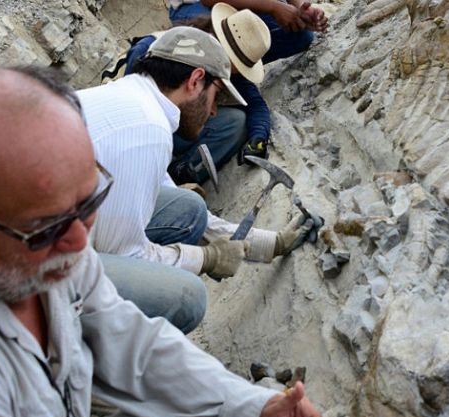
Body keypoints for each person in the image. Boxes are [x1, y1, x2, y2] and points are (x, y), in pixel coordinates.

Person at [0, 65, 324, 417]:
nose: (80, 243)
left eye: (88, 202)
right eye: (49, 227)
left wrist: (255, 406)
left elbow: (128, 336)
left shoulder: (35, 241)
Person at [78, 27, 315, 334]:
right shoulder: (147, 131)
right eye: (216, 95)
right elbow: (125, 255)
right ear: (194, 81)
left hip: (38, 230)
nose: (215, 110)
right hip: (22, 274)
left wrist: (268, 245)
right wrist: (205, 258)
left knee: (186, 207)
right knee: (186, 298)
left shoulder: (134, 97)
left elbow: (174, 199)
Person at [122, 5, 272, 185]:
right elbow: (128, 107)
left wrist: (258, 138)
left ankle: (180, 175)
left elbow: (257, 105)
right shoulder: (154, 48)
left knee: (236, 121)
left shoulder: (228, 70)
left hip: (173, 130)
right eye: (235, 65)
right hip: (135, 131)